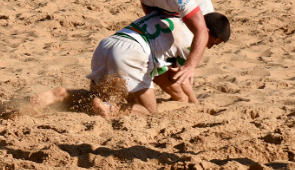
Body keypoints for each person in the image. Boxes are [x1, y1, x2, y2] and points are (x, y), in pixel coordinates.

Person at [32, 12, 231, 118]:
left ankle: (60, 95)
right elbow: (173, 77)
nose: (209, 47)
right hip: (132, 52)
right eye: (212, 43)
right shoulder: (192, 39)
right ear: (206, 31)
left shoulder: (175, 17)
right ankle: (112, 109)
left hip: (107, 44)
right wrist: (193, 102)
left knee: (96, 97)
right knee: (149, 111)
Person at [120, 0, 214, 103]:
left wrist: (191, 67)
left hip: (200, 18)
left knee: (177, 68)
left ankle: (190, 101)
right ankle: (186, 100)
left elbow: (202, 31)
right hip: (171, 12)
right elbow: (150, 5)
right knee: (161, 59)